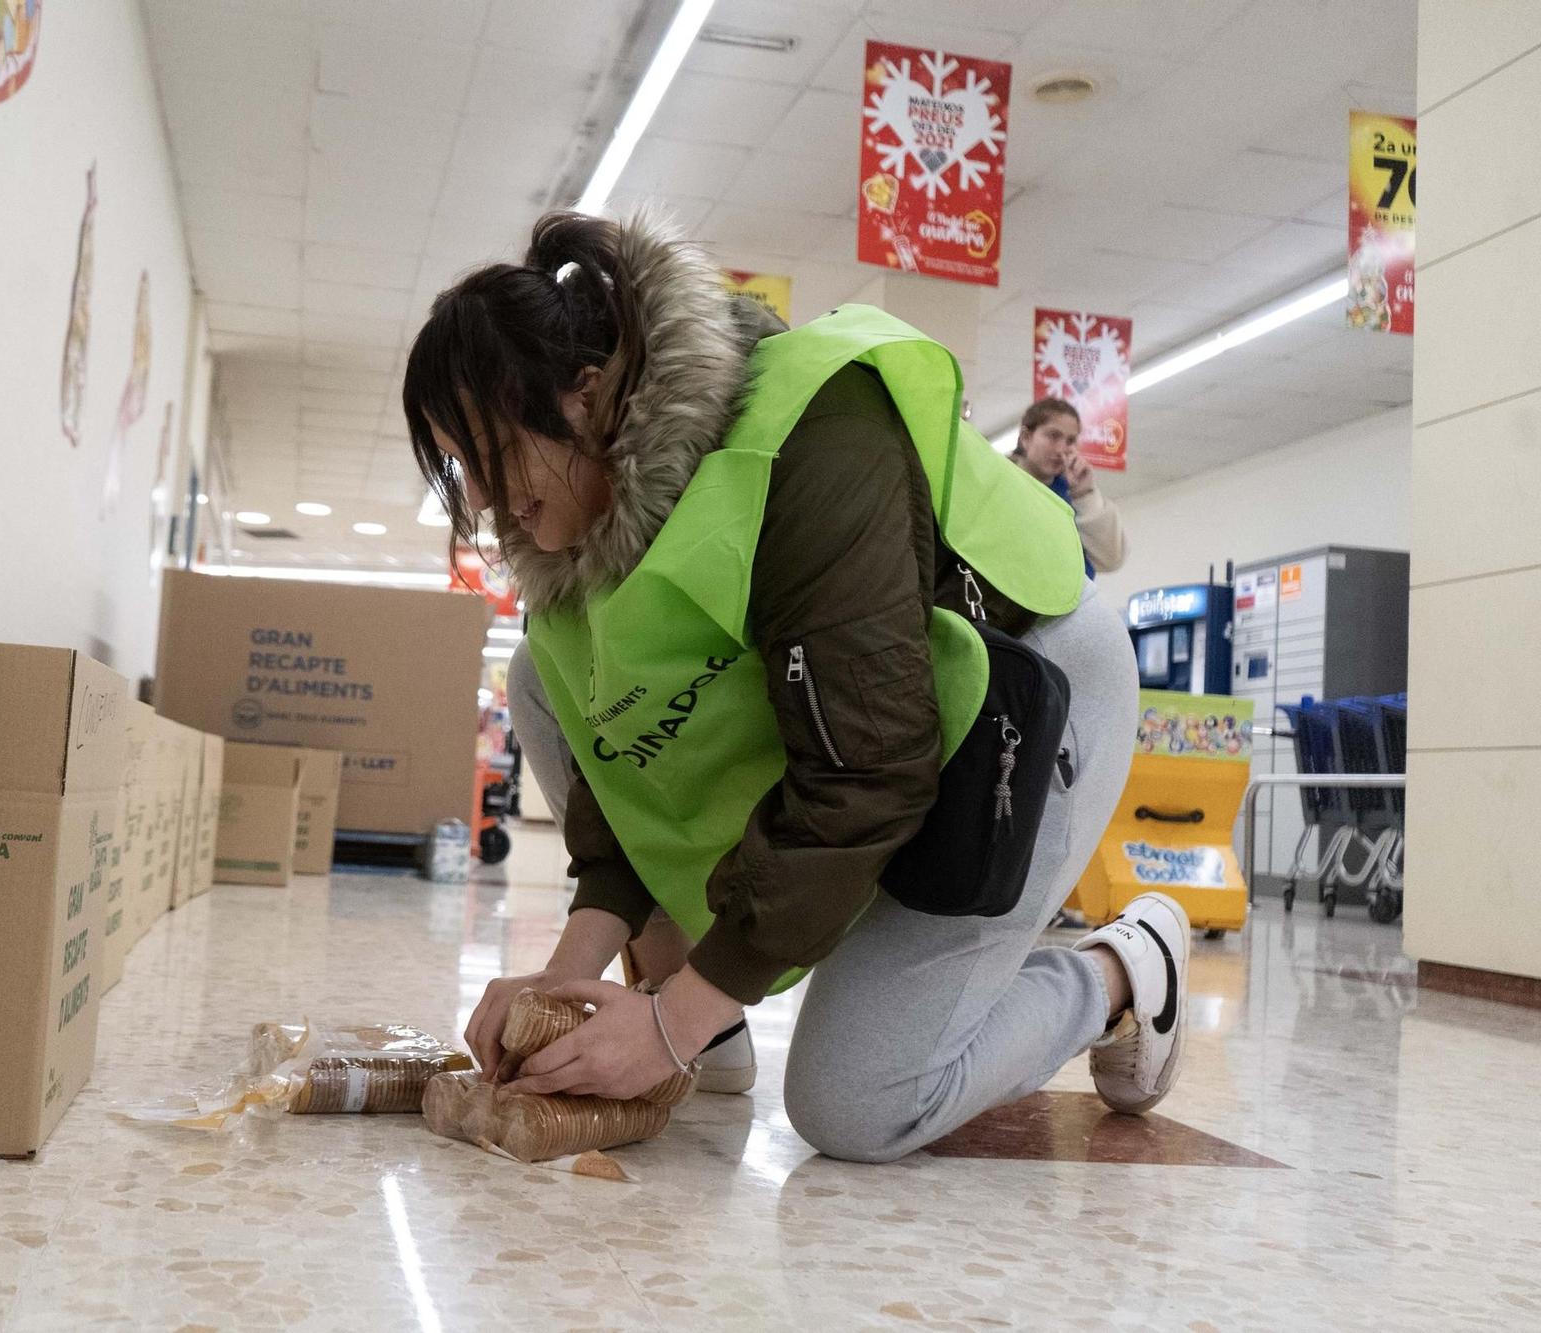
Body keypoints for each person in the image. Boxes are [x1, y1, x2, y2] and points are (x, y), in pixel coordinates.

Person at [402, 212, 1189, 1163]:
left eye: (487, 455)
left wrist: (670, 1025)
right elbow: (621, 750)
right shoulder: (572, 531)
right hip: (872, 724)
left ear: (584, 392)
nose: (480, 499)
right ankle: (696, 1007)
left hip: (1017, 704)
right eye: (460, 469)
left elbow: (868, 770)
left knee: (854, 1106)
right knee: (543, 673)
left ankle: (1128, 968)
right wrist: (562, 977)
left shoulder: (813, 437)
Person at [1011, 398, 1128, 576]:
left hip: (1072, 601)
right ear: (1026, 437)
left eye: (1070, 440)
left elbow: (1110, 559)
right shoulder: (999, 482)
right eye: (1053, 436)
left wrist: (1084, 494)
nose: (1061, 449)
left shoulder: (1070, 494)